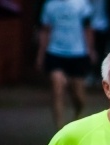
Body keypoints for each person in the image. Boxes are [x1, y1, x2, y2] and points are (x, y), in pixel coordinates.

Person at [36, 0, 97, 130]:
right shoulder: (49, 5)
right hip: (55, 52)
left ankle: (78, 115)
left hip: (78, 53)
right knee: (57, 88)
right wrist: (41, 54)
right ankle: (60, 129)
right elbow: (45, 30)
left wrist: (91, 50)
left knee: (78, 95)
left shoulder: (82, 4)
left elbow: (88, 29)